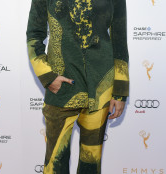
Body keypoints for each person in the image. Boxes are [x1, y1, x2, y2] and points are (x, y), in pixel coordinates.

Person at [26, 0, 129, 173]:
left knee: (91, 162)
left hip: (101, 88)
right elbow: (34, 34)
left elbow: (119, 41)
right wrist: (48, 76)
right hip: (61, 89)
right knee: (55, 163)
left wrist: (120, 91)